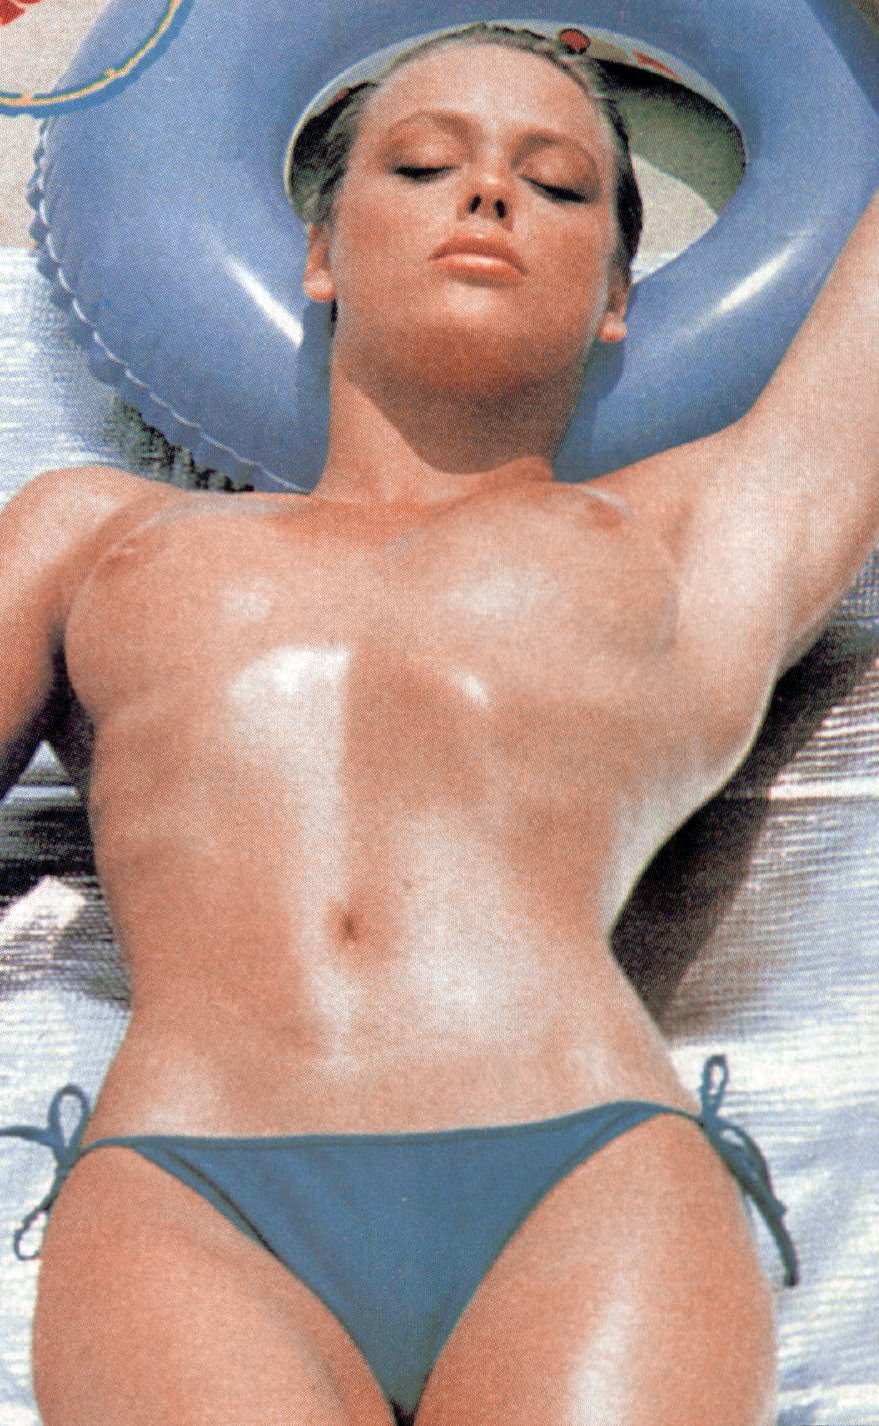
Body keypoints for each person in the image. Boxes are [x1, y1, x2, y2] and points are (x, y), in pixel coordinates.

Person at [0, 21, 876, 1426]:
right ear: (320, 254)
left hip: (584, 1183)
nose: (487, 193)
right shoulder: (91, 536)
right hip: (192, 1197)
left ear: (616, 296)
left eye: (558, 183)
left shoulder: (695, 533)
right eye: (421, 164)